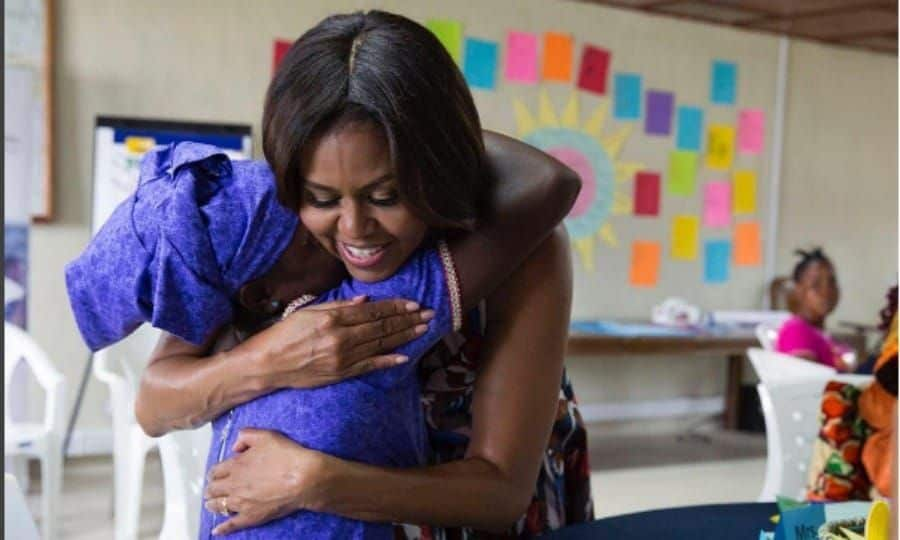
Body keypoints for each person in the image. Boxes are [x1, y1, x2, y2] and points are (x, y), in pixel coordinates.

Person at [136, 10, 590, 539]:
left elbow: (500, 492)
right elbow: (154, 403)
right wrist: (273, 358)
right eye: (321, 198)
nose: (355, 230)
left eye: (386, 196)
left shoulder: (520, 248)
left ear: (437, 169)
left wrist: (315, 480)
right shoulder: (268, 233)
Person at [776, 248, 852, 370]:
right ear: (798, 290)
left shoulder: (821, 334)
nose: (826, 291)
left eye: (831, 282)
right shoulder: (796, 331)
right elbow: (805, 384)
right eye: (816, 285)